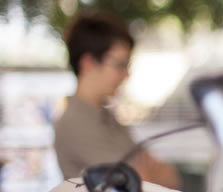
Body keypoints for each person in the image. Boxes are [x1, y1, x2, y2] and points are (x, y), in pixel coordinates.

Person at [53, 10, 180, 189]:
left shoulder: (108, 118)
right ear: (88, 63)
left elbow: (169, 177)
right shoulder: (74, 123)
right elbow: (137, 183)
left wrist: (146, 173)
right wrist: (145, 171)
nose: (126, 74)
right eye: (120, 65)